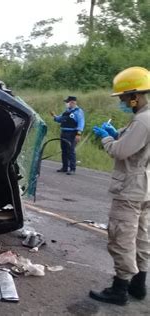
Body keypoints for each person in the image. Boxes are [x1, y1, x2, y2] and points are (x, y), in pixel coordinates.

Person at [90, 66, 150, 306]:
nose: (123, 102)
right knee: (142, 236)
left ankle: (119, 289)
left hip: (130, 188)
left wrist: (106, 138)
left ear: (135, 95)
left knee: (122, 237)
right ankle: (138, 285)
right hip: (145, 187)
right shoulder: (145, 117)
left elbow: (121, 151)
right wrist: (117, 133)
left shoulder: (143, 121)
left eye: (125, 97)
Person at [50, 96, 85, 175]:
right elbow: (60, 119)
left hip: (72, 133)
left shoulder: (78, 112)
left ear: (72, 102)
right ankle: (64, 167)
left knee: (71, 151)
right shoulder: (67, 111)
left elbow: (81, 123)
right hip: (64, 132)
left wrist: (78, 134)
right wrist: (54, 116)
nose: (66, 104)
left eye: (67, 102)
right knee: (64, 150)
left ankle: (72, 168)